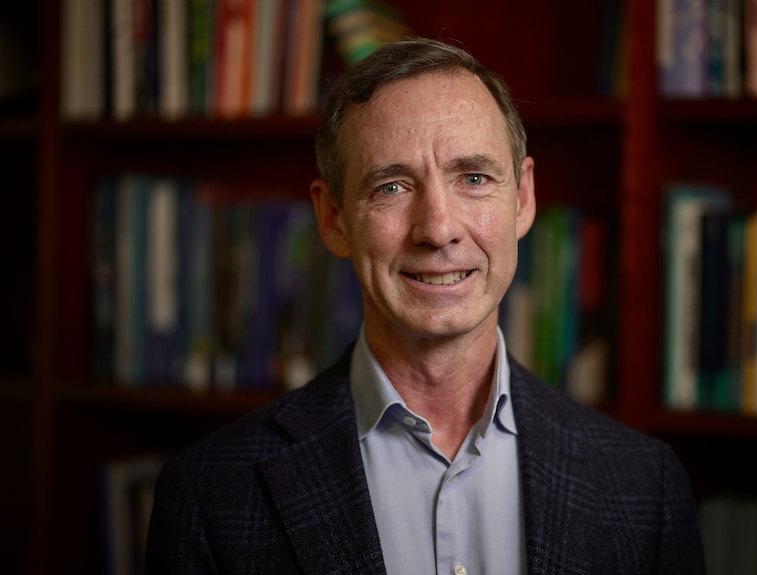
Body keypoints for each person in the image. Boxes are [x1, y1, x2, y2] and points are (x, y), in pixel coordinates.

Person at [146, 37, 705, 574]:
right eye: (391, 186)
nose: (438, 229)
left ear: (524, 198)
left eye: (474, 177)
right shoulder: (209, 494)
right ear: (333, 218)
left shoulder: (644, 486)